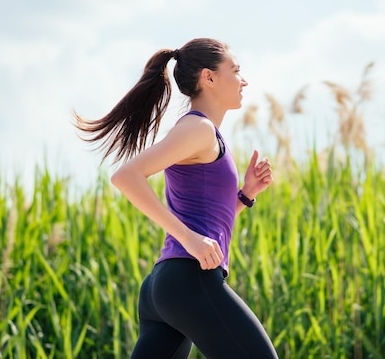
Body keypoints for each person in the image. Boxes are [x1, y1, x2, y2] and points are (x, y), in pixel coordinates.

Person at [74, 38, 279, 358]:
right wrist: (190, 239)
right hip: (188, 280)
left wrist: (246, 195)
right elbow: (126, 177)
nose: (244, 80)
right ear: (208, 78)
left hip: (169, 285)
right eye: (236, 71)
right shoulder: (198, 129)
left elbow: (208, 217)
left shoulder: (206, 133)